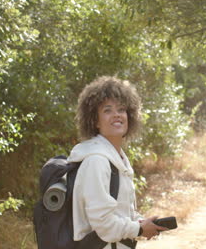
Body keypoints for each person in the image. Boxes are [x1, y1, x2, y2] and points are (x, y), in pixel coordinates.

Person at [68, 76, 167, 249]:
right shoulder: (96, 161)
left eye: (121, 109)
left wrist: (141, 222)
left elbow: (118, 213)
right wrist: (138, 229)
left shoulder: (117, 158)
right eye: (107, 110)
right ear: (95, 120)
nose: (117, 115)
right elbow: (104, 225)